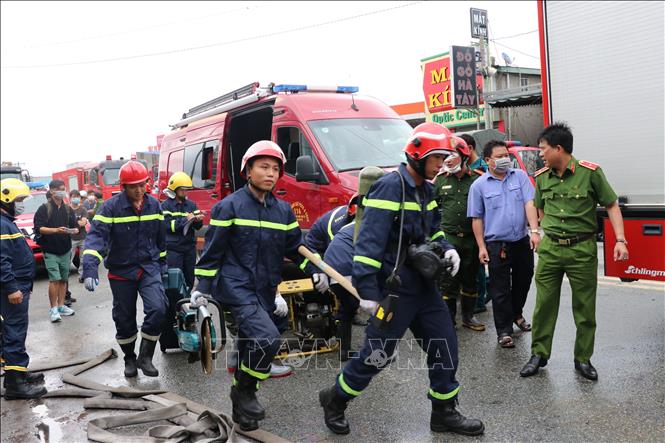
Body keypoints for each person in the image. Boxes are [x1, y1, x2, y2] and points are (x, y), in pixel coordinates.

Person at [319, 122, 483, 437]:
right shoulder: (391, 186)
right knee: (376, 356)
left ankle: (444, 412)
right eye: (436, 159)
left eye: (444, 159)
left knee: (445, 345)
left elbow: (433, 228)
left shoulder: (428, 188)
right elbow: (368, 243)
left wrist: (447, 248)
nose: (441, 165)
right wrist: (367, 292)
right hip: (393, 290)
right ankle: (335, 399)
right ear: (417, 155)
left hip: (423, 287)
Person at [191, 140, 326, 431]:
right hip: (236, 286)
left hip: (266, 287)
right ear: (247, 171)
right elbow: (212, 251)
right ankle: (245, 390)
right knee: (266, 339)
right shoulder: (228, 207)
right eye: (264, 167)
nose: (271, 174)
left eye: (276, 169)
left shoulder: (283, 211)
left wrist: (315, 270)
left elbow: (296, 248)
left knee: (265, 335)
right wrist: (201, 286)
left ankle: (241, 405)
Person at [520, 123, 628, 380]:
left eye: (543, 149)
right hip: (552, 250)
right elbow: (541, 206)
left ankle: (583, 359)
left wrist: (621, 240)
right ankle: (539, 354)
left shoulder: (590, 173)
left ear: (559, 148)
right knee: (544, 304)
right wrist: (543, 233)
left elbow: (612, 205)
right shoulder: (542, 176)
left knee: (584, 307)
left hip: (582, 249)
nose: (541, 154)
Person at [82, 161, 168, 379]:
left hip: (148, 267)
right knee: (124, 317)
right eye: (133, 186)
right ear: (123, 187)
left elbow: (161, 240)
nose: (138, 190)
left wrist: (163, 267)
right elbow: (96, 238)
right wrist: (90, 269)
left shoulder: (155, 206)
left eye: (142, 184)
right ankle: (129, 358)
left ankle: (145, 356)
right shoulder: (110, 207)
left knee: (158, 308)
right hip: (121, 271)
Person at [468, 140, 540, 349]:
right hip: (496, 245)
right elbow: (477, 218)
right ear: (488, 160)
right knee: (500, 289)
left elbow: (529, 203)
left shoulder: (519, 177)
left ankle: (516, 313)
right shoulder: (479, 185)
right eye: (499, 156)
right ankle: (504, 331)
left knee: (524, 280)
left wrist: (534, 231)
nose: (504, 159)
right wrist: (481, 246)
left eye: (506, 155)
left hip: (521, 241)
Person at [1, 178, 47, 399]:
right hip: (13, 288)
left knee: (15, 331)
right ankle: (15, 386)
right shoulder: (2, 224)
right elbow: (2, 261)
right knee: (14, 332)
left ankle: (18, 374)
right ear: (7, 199)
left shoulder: (7, 221)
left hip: (18, 285)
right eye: (19, 200)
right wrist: (11, 288)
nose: (21, 204)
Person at [434, 136, 485, 331]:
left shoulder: (477, 179)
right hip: (449, 239)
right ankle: (448, 320)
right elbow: (430, 208)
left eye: (452, 155)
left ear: (464, 156)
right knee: (448, 282)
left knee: (470, 280)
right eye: (445, 156)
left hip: (472, 240)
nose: (448, 160)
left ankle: (468, 317)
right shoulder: (439, 181)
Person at [306, 194, 367, 328]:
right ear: (351, 215)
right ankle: (339, 316)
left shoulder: (356, 218)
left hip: (329, 250)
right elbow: (337, 259)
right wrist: (318, 270)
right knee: (338, 288)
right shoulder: (338, 227)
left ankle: (349, 311)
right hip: (315, 250)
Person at [33, 179, 78, 322]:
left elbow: (75, 226)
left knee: (64, 280)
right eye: (60, 189)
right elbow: (39, 228)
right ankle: (53, 309)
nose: (63, 191)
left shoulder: (67, 209)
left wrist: (74, 229)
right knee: (55, 279)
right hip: (50, 250)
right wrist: (56, 230)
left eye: (64, 189)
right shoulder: (44, 208)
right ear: (52, 191)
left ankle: (61, 306)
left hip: (65, 249)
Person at [459, 133, 490, 315]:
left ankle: (480, 300)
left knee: (478, 266)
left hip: (479, 223)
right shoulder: (463, 168)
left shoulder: (482, 169)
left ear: (469, 148)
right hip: (464, 225)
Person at [321, 221, 360, 361]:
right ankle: (376, 350)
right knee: (375, 306)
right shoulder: (374, 224)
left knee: (347, 308)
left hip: (331, 269)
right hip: (346, 268)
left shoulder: (349, 226)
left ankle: (344, 351)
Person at [161, 172, 203, 290]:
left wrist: (197, 220)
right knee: (175, 281)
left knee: (189, 278)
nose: (185, 192)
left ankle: (187, 301)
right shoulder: (165, 206)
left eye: (187, 189)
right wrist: (185, 219)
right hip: (174, 250)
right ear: (175, 189)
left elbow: (198, 227)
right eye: (182, 189)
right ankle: (174, 305)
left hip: (189, 249)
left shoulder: (191, 205)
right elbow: (169, 226)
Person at [69, 189, 88, 279]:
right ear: (70, 198)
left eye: (77, 197)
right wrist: (78, 222)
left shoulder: (83, 209)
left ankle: (82, 276)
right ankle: (65, 276)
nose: (76, 199)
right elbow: (65, 223)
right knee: (68, 259)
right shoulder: (66, 209)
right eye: (74, 197)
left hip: (82, 237)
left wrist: (73, 223)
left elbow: (83, 222)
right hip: (71, 238)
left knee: (83, 259)